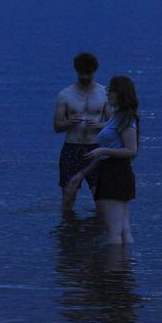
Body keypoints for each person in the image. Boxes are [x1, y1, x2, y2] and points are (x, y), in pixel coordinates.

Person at [66, 76, 139, 244]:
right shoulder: (116, 116)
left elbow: (131, 150)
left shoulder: (125, 118)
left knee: (113, 232)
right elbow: (108, 154)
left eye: (111, 90)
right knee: (122, 229)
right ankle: (124, 267)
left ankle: (113, 268)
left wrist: (103, 150)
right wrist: (83, 173)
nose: (107, 94)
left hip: (115, 174)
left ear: (121, 93)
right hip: (114, 172)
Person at [54, 53, 113, 211]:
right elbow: (57, 126)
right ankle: (68, 231)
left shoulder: (104, 93)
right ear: (76, 71)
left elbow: (113, 123)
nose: (85, 76)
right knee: (68, 195)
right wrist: (69, 122)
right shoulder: (65, 95)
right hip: (72, 148)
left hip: (96, 148)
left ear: (94, 71)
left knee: (100, 198)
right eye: (82, 73)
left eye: (89, 73)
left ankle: (99, 232)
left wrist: (99, 125)